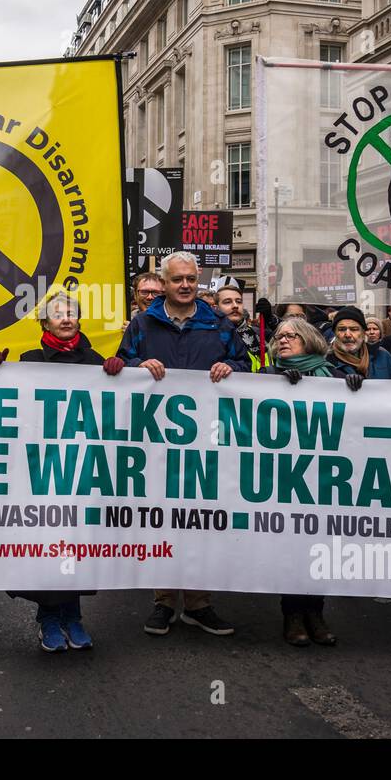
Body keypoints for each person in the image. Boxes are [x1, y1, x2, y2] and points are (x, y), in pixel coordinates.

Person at [116, 251, 249, 636]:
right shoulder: (143, 323)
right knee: (162, 519)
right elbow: (121, 365)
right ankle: (163, 601)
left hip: (208, 441)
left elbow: (246, 366)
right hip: (156, 440)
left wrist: (233, 369)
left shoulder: (219, 325)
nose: (186, 285)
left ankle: (198, 602)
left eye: (192, 279)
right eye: (178, 280)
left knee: (201, 520)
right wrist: (137, 368)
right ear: (166, 283)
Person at [0, 292, 114, 652]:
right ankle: (49, 619)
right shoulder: (29, 361)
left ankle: (73, 616)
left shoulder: (97, 362)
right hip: (41, 469)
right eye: (58, 314)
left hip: (83, 469)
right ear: (45, 323)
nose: (66, 318)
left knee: (79, 541)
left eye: (72, 312)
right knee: (50, 542)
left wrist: (119, 377)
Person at [266, 316, 363, 646]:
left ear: (309, 340)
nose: (284, 340)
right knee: (291, 548)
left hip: (323, 479)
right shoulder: (266, 376)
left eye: (292, 335)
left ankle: (316, 613)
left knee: (318, 547)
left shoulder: (332, 375)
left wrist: (353, 387)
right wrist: (279, 382)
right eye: (279, 336)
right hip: (285, 476)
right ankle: (292, 615)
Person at [327, 306, 391, 381]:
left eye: (354, 329)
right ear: (335, 332)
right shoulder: (326, 361)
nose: (348, 335)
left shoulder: (383, 356)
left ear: (363, 333)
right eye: (342, 329)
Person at [216, 284, 264, 371]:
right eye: (227, 302)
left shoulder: (255, 333)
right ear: (216, 307)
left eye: (239, 301)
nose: (235, 306)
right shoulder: (209, 334)